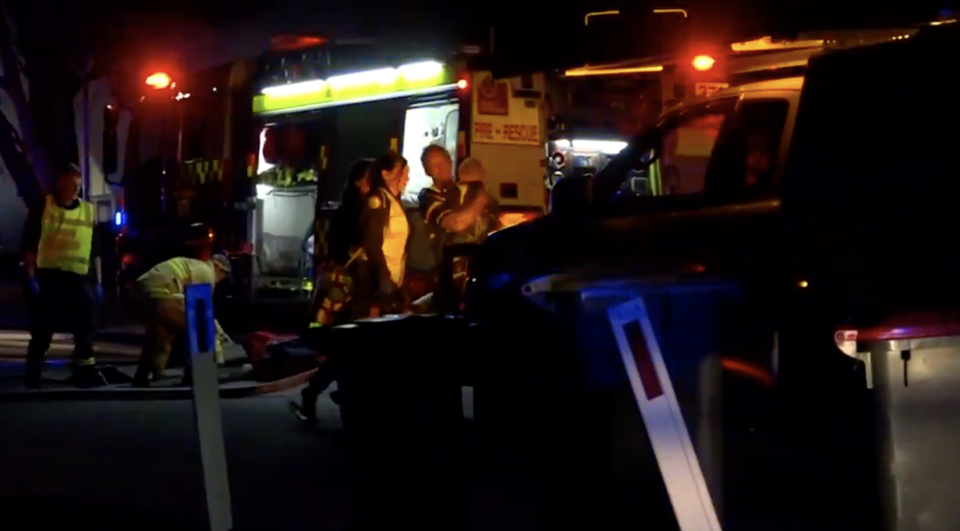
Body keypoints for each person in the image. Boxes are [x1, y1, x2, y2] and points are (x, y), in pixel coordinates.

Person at [293, 159, 374, 423]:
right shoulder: (357, 211)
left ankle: (321, 392)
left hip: (347, 288)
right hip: (350, 288)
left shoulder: (348, 209)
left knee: (347, 349)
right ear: (363, 181)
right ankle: (331, 393)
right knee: (351, 348)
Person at [21, 163, 106, 389]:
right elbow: (30, 246)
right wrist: (30, 277)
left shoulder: (87, 211)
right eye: (71, 185)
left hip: (80, 278)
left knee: (84, 328)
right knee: (43, 328)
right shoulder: (43, 207)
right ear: (60, 184)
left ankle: (85, 372)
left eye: (78, 185)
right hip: (49, 278)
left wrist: (98, 281)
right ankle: (33, 372)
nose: (75, 190)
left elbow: (94, 251)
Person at [131, 255, 232, 387]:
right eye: (223, 275)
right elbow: (202, 314)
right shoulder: (207, 274)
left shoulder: (195, 266)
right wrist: (219, 354)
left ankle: (143, 376)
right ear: (218, 268)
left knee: (161, 336)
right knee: (197, 330)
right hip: (163, 288)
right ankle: (195, 375)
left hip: (140, 289)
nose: (221, 280)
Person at [362, 151, 413, 316]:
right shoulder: (379, 200)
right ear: (386, 174)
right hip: (382, 280)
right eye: (403, 173)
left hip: (394, 277)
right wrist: (384, 277)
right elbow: (373, 242)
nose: (407, 179)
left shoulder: (394, 201)